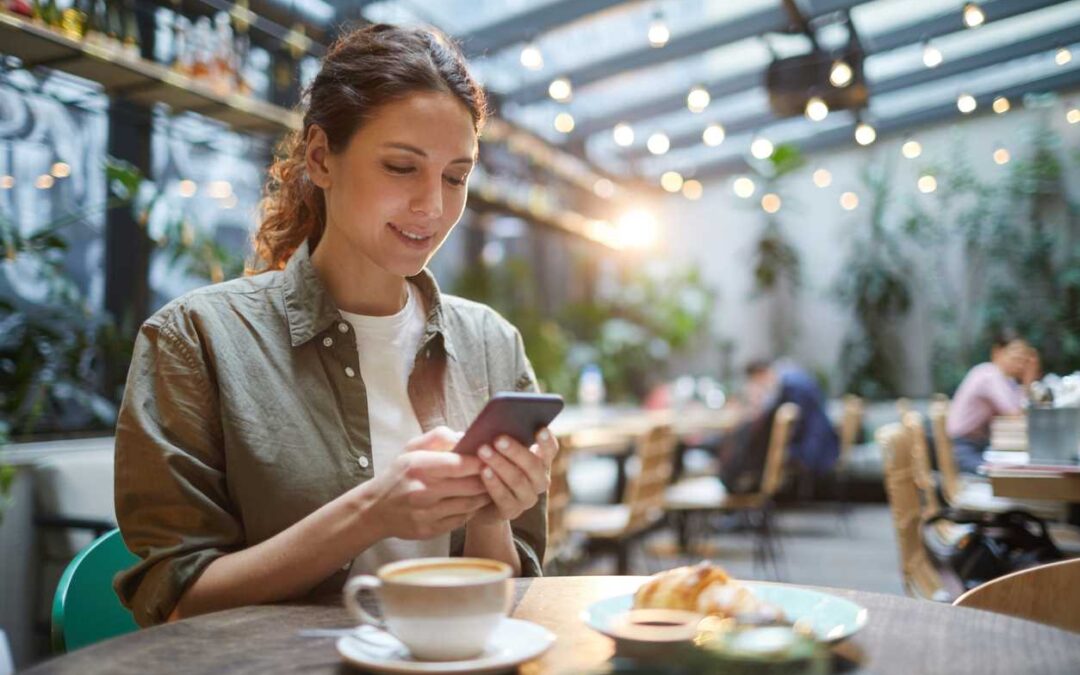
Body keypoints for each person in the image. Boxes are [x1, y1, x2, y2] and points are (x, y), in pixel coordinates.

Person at [113, 24, 558, 627]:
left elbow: (509, 593)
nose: (433, 206)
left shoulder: (490, 344)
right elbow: (175, 603)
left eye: (456, 176)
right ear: (321, 158)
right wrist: (373, 510)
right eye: (402, 167)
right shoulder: (196, 339)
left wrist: (491, 511)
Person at [719, 359, 839, 493]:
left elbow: (784, 425)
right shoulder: (791, 378)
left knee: (740, 441)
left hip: (812, 448)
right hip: (817, 442)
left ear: (759, 374)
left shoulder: (790, 386)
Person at [947, 330, 1035, 473]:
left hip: (978, 446)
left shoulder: (1006, 381)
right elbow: (1015, 415)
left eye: (1023, 359)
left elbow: (1022, 410)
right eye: (1015, 357)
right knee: (1007, 476)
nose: (1020, 364)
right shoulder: (989, 375)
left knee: (1016, 470)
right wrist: (1028, 378)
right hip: (963, 450)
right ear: (997, 352)